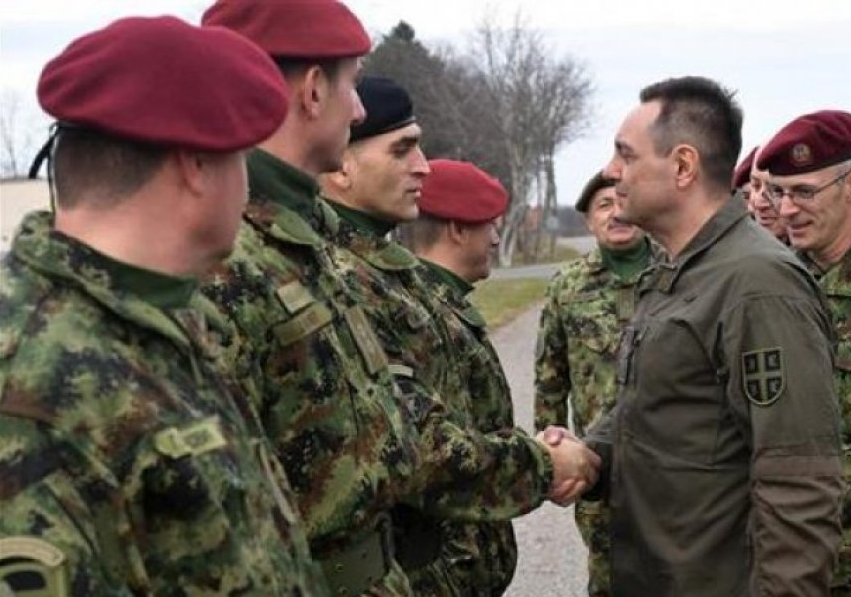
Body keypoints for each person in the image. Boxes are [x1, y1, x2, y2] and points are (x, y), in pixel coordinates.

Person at [200, 7, 598, 597]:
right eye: (353, 85)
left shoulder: (308, 244)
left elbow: (377, 429)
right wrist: (542, 466)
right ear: (315, 89)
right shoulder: (227, 253)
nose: (358, 110)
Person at [0, 16, 328, 596]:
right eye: (240, 159)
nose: (246, 187)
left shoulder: (151, 318)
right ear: (196, 165)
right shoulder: (30, 381)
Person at [318, 75, 600, 597]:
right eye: (402, 149)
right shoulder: (336, 275)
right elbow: (414, 446)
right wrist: (543, 465)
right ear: (341, 165)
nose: (423, 166)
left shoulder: (381, 272)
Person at [580, 76, 843, 596]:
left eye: (626, 154)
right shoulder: (680, 269)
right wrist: (589, 455)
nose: (611, 172)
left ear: (683, 166)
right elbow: (673, 412)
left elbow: (799, 476)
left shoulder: (758, 283)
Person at [758, 110, 851, 596]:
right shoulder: (767, 285)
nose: (787, 209)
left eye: (804, 192)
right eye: (778, 192)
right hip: (785, 564)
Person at [402, 158, 519, 596]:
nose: (495, 239)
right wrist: (545, 466)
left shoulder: (442, 305)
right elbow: (434, 448)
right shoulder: (417, 316)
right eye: (490, 225)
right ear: (457, 229)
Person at [533, 171, 650, 597]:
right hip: (602, 465)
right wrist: (551, 455)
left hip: (672, 460)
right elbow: (550, 377)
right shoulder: (568, 286)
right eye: (604, 205)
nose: (616, 213)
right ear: (588, 220)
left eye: (622, 201)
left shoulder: (678, 274)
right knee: (609, 574)